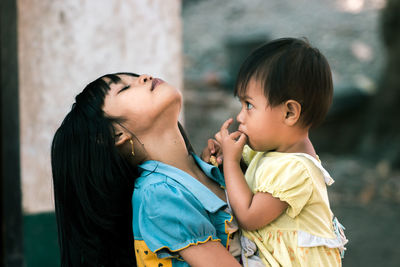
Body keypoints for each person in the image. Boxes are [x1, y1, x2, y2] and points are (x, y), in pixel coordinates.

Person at [51, 72, 242, 267]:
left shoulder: (217, 166)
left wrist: (235, 165)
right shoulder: (159, 194)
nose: (144, 77)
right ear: (116, 135)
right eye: (124, 88)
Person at [202, 38, 348, 266]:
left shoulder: (297, 169)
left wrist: (230, 163)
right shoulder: (267, 152)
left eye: (249, 105)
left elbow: (249, 216)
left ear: (289, 113)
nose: (240, 117)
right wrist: (222, 157)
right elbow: (241, 176)